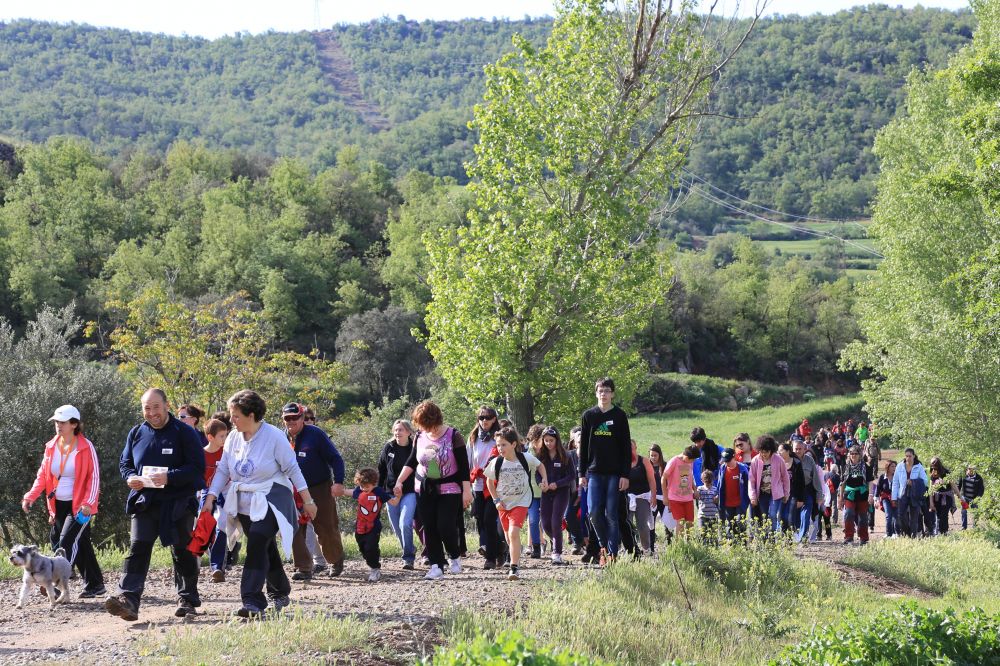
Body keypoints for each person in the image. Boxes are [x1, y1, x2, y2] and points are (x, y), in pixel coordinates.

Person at [203, 390, 318, 618]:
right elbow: (224, 469)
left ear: (252, 414)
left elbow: (293, 469)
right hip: (244, 500)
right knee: (265, 546)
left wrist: (308, 500)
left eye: (236, 415)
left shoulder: (274, 437)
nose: (232, 420)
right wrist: (211, 497)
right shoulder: (234, 437)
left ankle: (252, 600)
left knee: (256, 542)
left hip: (273, 498)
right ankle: (280, 590)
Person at [105, 388, 205, 622]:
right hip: (145, 501)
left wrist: (170, 476)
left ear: (166, 405)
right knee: (138, 547)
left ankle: (187, 599)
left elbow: (197, 467)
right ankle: (128, 600)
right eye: (146, 408)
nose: (151, 413)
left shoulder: (185, 433)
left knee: (182, 550)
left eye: (156, 407)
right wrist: (130, 477)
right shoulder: (136, 432)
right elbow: (125, 462)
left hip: (178, 501)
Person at [22, 404, 106, 598]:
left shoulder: (86, 447)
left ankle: (52, 580)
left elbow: (94, 478)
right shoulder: (51, 446)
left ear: (74, 424)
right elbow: (43, 475)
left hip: (80, 506)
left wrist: (89, 503)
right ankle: (95, 584)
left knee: (66, 541)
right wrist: (30, 496)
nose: (58, 426)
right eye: (56, 422)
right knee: (81, 542)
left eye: (62, 422)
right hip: (57, 505)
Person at [394, 400, 472, 580]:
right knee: (429, 527)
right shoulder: (420, 436)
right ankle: (436, 565)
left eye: (425, 423)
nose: (423, 428)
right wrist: (399, 481)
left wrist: (467, 492)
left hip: (450, 487)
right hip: (424, 487)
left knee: (445, 525)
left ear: (434, 419)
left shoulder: (453, 435)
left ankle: (454, 555)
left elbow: (463, 466)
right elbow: (412, 461)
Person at [281, 402, 346, 580]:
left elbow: (336, 458)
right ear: (283, 420)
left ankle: (335, 559)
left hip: (319, 487)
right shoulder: (280, 438)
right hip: (293, 490)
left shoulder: (315, 434)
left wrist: (338, 482)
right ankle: (303, 568)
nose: (291, 421)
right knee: (296, 528)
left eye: (295, 417)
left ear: (302, 418)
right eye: (288, 418)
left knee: (326, 527)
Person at [578, 378, 632, 562]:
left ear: (612, 393)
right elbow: (583, 446)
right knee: (593, 512)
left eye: (607, 390)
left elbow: (626, 447)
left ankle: (613, 553)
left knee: (611, 514)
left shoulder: (619, 415)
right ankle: (603, 546)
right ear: (596, 393)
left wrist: (625, 474)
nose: (604, 394)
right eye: (600, 391)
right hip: (593, 472)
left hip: (614, 473)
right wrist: (581, 473)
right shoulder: (588, 416)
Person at [484, 426, 547, 580]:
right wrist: (496, 500)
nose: (500, 448)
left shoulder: (525, 458)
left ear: (513, 444)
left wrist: (544, 479)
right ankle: (516, 551)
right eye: (498, 445)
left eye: (503, 444)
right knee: (508, 536)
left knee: (513, 533)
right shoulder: (496, 462)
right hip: (503, 504)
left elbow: (540, 466)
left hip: (521, 501)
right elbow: (489, 482)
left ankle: (514, 567)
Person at [379, 419, 420, 569]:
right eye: (396, 430)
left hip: (409, 491)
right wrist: (379, 493)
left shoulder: (414, 448)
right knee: (397, 528)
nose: (397, 433)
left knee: (405, 524)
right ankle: (409, 548)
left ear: (409, 432)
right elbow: (381, 471)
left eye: (401, 430)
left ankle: (408, 558)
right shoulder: (388, 448)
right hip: (390, 493)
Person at [350, 467, 399, 582]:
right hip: (359, 527)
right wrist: (337, 490)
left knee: (371, 547)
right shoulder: (359, 490)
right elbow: (348, 492)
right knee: (362, 547)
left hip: (374, 526)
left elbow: (394, 502)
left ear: (374, 483)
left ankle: (375, 568)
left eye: (367, 487)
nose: (364, 489)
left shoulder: (379, 492)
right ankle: (371, 562)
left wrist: (399, 495)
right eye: (362, 486)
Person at [467, 407, 501, 569]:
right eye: (481, 417)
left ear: (494, 419)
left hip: (495, 486)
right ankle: (498, 549)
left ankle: (491, 557)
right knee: (480, 519)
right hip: (478, 485)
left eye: (488, 417)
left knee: (489, 519)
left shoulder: (498, 437)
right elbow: (468, 461)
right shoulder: (473, 438)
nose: (484, 421)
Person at [202, 417, 232, 582]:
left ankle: (217, 567)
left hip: (226, 492)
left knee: (222, 525)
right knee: (203, 528)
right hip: (206, 493)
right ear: (210, 437)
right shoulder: (201, 454)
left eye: (226, 435)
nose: (225, 439)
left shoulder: (227, 453)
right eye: (221, 436)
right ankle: (192, 567)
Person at [538, 427, 574, 564]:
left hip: (561, 492)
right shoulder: (541, 456)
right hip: (546, 492)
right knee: (546, 523)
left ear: (556, 440)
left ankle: (557, 552)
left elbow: (571, 475)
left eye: (551, 440)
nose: (548, 443)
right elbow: (537, 473)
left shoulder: (565, 456)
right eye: (546, 440)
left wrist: (557, 484)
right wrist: (541, 483)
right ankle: (556, 539)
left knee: (555, 521)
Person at [747, 435, 789, 535]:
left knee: (773, 515)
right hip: (762, 494)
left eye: (766, 451)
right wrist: (753, 496)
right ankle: (766, 537)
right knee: (764, 516)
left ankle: (773, 536)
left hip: (776, 494)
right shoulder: (755, 461)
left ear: (771, 450)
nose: (763, 454)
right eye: (761, 451)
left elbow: (785, 478)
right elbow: (751, 480)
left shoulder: (779, 460)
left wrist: (786, 493)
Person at [625, 439, 657, 555]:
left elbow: (652, 480)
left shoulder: (644, 461)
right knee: (626, 523)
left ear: (636, 448)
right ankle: (629, 548)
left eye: (632, 449)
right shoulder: (621, 462)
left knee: (642, 524)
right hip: (627, 497)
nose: (630, 451)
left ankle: (646, 549)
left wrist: (653, 496)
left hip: (642, 496)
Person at [662, 445, 699, 538]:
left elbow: (689, 478)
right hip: (675, 498)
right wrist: (665, 497)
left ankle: (689, 544)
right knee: (681, 522)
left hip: (688, 498)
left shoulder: (690, 462)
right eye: (692, 460)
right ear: (686, 457)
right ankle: (680, 546)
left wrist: (695, 489)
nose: (693, 462)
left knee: (690, 523)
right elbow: (663, 478)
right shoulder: (674, 461)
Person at [839, 445, 872, 545]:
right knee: (848, 514)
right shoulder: (846, 467)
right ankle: (848, 536)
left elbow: (870, 482)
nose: (853, 455)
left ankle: (863, 538)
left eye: (855, 453)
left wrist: (871, 495)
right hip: (849, 495)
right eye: (851, 453)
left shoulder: (866, 467)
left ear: (860, 455)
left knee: (862, 517)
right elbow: (842, 483)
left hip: (862, 494)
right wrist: (840, 498)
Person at [792, 438, 823, 544]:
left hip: (807, 490)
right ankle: (795, 535)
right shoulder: (788, 460)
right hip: (793, 491)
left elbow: (815, 478)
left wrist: (819, 495)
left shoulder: (809, 460)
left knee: (806, 514)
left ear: (804, 449)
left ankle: (803, 536)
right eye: (796, 449)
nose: (798, 451)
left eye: (800, 449)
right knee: (794, 515)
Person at [891, 448, 928, 538]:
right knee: (901, 516)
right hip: (902, 494)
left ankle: (913, 536)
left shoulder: (919, 466)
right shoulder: (900, 466)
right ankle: (907, 533)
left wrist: (913, 481)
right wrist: (894, 497)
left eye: (910, 456)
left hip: (914, 495)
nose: (908, 458)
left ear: (914, 456)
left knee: (914, 517)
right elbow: (895, 482)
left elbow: (925, 481)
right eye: (906, 456)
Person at [715, 448, 749, 539]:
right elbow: (719, 484)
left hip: (740, 503)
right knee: (730, 525)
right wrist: (717, 494)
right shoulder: (723, 468)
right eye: (725, 461)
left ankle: (743, 544)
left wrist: (749, 498)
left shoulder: (742, 469)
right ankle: (731, 544)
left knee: (739, 522)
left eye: (728, 460)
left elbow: (748, 485)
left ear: (734, 457)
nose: (726, 463)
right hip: (727, 503)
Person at [524, 424, 546, 558]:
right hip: (531, 492)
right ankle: (536, 547)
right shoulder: (527, 453)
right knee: (533, 520)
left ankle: (554, 545)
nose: (534, 443)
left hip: (547, 491)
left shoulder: (549, 452)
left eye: (537, 440)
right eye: (532, 440)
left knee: (548, 521)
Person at [564, 427, 586, 555]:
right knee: (568, 515)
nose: (582, 440)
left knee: (588, 516)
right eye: (579, 438)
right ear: (574, 442)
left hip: (588, 490)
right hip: (571, 492)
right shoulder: (568, 456)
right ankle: (578, 541)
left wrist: (581, 493)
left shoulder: (592, 456)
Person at [777, 442, 805, 533]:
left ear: (788, 451)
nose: (779, 453)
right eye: (778, 451)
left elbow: (801, 482)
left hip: (793, 494)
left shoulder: (796, 463)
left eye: (781, 450)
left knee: (790, 517)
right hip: (781, 494)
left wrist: (801, 499)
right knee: (780, 517)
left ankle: (789, 540)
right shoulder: (778, 463)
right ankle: (783, 538)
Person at [927, 457, 958, 536]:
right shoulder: (932, 473)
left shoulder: (946, 472)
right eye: (932, 465)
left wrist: (960, 496)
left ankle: (943, 532)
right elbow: (930, 488)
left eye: (934, 465)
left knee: (943, 515)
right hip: (936, 498)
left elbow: (953, 485)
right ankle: (942, 532)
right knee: (939, 515)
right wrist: (931, 503)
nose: (933, 467)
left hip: (946, 497)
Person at [647, 444, 667, 551]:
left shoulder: (665, 466)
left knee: (667, 522)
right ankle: (651, 547)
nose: (653, 458)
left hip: (663, 498)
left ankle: (670, 544)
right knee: (651, 523)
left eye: (655, 455)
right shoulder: (647, 466)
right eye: (651, 455)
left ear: (659, 454)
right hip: (652, 498)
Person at [696, 470, 720, 543]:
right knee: (702, 534)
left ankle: (714, 547)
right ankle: (703, 548)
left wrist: (717, 498)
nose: (708, 484)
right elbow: (696, 496)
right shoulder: (700, 489)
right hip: (702, 516)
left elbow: (717, 501)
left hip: (713, 515)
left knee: (713, 535)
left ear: (712, 480)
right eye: (706, 482)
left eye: (709, 482)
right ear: (702, 480)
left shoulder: (715, 489)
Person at [959, 464, 984, 530]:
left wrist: (978, 498)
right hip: (965, 497)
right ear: (967, 469)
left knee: (975, 512)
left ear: (974, 470)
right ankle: (964, 527)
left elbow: (981, 489)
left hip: (974, 499)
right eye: (969, 469)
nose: (970, 470)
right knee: (964, 511)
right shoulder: (963, 476)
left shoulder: (979, 478)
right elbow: (959, 485)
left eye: (972, 469)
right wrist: (958, 495)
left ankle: (975, 527)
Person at [877, 460, 897, 538]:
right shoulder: (882, 477)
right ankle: (889, 534)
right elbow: (878, 488)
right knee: (888, 515)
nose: (894, 468)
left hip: (895, 498)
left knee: (895, 516)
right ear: (887, 467)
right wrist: (876, 499)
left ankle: (895, 533)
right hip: (885, 498)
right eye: (892, 466)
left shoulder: (897, 476)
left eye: (895, 466)